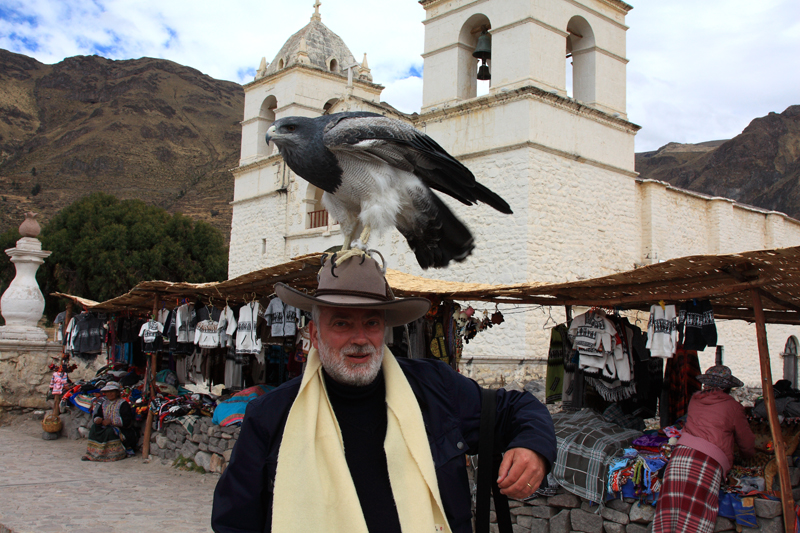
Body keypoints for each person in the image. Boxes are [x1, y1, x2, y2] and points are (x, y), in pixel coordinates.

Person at [211, 252, 556, 533]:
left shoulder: (435, 388)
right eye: (342, 322)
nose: (360, 337)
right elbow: (234, 523)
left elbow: (514, 407)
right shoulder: (271, 417)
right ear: (314, 335)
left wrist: (533, 447)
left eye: (372, 322)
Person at [653, 364, 755, 533]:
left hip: (679, 458)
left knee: (669, 515)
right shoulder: (733, 407)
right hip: (706, 463)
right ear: (728, 388)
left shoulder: (695, 400)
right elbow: (746, 441)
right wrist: (749, 454)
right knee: (694, 519)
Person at [81, 381, 138, 461]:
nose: (110, 394)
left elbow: (127, 421)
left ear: (117, 393)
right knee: (94, 428)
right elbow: (98, 415)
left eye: (112, 392)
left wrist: (111, 421)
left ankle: (111, 454)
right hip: (106, 427)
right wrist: (98, 420)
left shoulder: (123, 404)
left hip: (121, 430)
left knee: (110, 431)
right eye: (108, 392)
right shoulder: (104, 403)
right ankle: (92, 453)